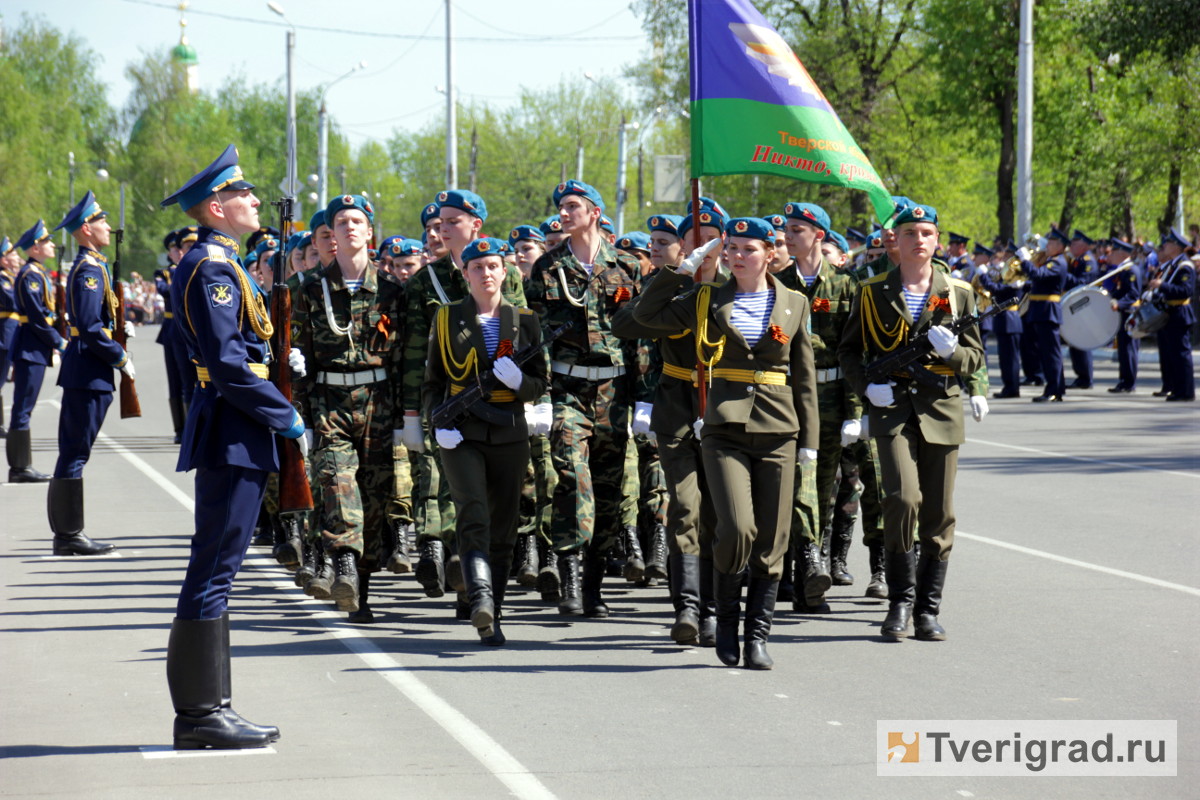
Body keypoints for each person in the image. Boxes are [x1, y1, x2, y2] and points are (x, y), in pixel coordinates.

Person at [161, 144, 308, 749]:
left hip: (234, 425)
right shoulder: (213, 268)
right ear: (216, 207)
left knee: (220, 565)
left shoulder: (220, 263)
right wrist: (285, 414)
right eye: (242, 194)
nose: (253, 200)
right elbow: (226, 365)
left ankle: (211, 706)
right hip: (233, 428)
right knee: (215, 566)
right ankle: (199, 715)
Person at [633, 216, 818, 669]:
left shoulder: (794, 302)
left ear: (769, 254)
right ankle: (727, 622)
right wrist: (680, 270)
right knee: (736, 529)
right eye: (730, 248)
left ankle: (758, 634)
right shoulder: (705, 298)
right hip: (722, 428)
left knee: (772, 539)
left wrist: (811, 439)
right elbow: (643, 317)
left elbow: (805, 374)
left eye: (747, 249)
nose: (736, 257)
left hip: (779, 429)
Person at [839, 203, 985, 641]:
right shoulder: (871, 291)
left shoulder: (959, 291)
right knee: (901, 500)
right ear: (895, 241)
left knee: (939, 513)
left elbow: (975, 356)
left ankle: (927, 609)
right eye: (908, 233)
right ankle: (900, 601)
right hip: (892, 409)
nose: (917, 240)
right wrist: (866, 387)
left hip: (941, 408)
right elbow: (849, 350)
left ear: (937, 240)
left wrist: (951, 354)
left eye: (925, 233)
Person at [525, 180, 644, 617]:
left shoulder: (628, 266)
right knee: (573, 480)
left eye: (573, 206)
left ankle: (594, 585)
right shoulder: (547, 268)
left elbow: (642, 339)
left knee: (609, 490)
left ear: (595, 212)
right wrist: (538, 396)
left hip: (614, 391)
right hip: (568, 390)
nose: (564, 213)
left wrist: (644, 398)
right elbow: (534, 337)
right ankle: (570, 581)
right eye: (561, 206)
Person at [400, 190, 526, 603]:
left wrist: (528, 394)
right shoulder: (424, 282)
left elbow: (519, 335)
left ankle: (479, 587)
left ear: (476, 226)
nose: (443, 227)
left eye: (453, 220)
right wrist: (414, 414)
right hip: (449, 408)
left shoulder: (507, 275)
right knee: (457, 494)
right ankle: (468, 583)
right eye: (440, 221)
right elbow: (416, 354)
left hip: (499, 409)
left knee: (494, 502)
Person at [422, 237, 549, 645]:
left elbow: (540, 384)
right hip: (462, 432)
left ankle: (496, 609)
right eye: (477, 267)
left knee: (505, 526)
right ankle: (480, 602)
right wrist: (434, 424)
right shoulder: (446, 319)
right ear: (465, 274)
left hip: (509, 428)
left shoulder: (524, 319)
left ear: (505, 271)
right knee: (473, 513)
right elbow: (433, 382)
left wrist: (521, 384)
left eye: (494, 266)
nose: (486, 274)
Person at [613, 210, 727, 646]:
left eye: (714, 240)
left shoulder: (738, 291)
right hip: (677, 409)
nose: (707, 248)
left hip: (724, 409)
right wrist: (678, 274)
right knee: (685, 507)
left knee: (720, 513)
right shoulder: (670, 292)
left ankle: (714, 608)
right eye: (696, 241)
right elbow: (625, 324)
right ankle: (688, 607)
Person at [291, 194, 406, 619]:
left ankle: (362, 588)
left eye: (357, 221)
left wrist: (408, 415)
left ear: (370, 232)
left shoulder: (393, 292)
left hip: (379, 402)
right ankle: (342, 564)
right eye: (341, 222)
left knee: (375, 498)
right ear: (332, 234)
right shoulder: (307, 289)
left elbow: (406, 359)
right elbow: (295, 353)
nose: (350, 228)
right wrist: (298, 414)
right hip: (329, 401)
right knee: (338, 485)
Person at [775, 201, 861, 613]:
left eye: (797, 229)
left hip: (830, 396)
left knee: (823, 490)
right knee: (796, 483)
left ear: (819, 236)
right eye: (787, 229)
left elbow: (855, 353)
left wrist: (855, 412)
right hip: (786, 397)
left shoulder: (845, 287)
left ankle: (803, 578)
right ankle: (807, 564)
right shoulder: (776, 282)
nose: (788, 236)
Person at [46, 191, 134, 555]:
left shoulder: (94, 266)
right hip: (88, 371)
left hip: (87, 370)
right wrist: (119, 356)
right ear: (86, 228)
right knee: (74, 453)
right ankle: (68, 535)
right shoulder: (89, 270)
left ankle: (68, 533)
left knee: (75, 451)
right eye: (102, 221)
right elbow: (88, 324)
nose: (108, 227)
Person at [7, 219, 65, 483]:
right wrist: (59, 341)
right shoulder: (30, 275)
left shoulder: (37, 272)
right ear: (34, 248)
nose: (51, 245)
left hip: (34, 346)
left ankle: (21, 466)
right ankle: (19, 468)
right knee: (23, 407)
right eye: (46, 242)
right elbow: (38, 317)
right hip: (31, 346)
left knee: (24, 407)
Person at [1025, 228, 1069, 402]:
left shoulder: (1057, 262)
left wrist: (1024, 261)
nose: (1047, 246)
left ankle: (1053, 390)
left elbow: (1038, 274)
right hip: (1041, 310)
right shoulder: (1051, 260)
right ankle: (1057, 388)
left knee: (1051, 353)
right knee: (1048, 353)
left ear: (1060, 246)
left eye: (1051, 243)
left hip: (1047, 311)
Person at [974, 243, 1024, 398]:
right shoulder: (1008, 277)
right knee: (1006, 358)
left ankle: (1012, 388)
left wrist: (983, 276)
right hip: (1005, 319)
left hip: (1009, 319)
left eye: (1010, 254)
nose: (1006, 258)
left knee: (1010, 359)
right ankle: (1009, 387)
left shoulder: (1014, 280)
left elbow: (997, 289)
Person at [1151, 228, 1195, 402]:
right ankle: (1177, 389)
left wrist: (1162, 286)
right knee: (1173, 355)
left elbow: (1186, 291)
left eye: (1168, 243)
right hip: (1170, 313)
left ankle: (1186, 391)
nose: (1165, 246)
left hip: (1180, 313)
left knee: (1181, 354)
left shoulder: (1185, 266)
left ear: (1176, 247)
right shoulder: (1174, 265)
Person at [1065, 230, 1100, 389]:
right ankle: (1081, 376)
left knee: (1081, 343)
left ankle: (1086, 378)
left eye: (1075, 243)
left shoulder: (1088, 261)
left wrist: (1063, 274)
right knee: (1075, 342)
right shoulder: (1077, 260)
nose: (1071, 245)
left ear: (1084, 245)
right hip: (1075, 305)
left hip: (1084, 305)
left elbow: (1083, 283)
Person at [1105, 238, 1141, 393]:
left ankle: (1129, 382)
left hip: (1130, 313)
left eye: (1114, 251)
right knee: (1123, 349)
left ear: (1121, 253)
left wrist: (1119, 303)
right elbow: (1121, 291)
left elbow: (1133, 294)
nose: (1111, 254)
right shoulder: (1123, 269)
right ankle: (1124, 380)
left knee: (1129, 349)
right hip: (1124, 312)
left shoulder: (1131, 270)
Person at [0, 236, 21, 438]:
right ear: (4, 260)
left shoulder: (10, 278)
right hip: (4, 333)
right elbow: (14, 303)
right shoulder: (3, 279)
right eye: (13, 254)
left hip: (10, 332)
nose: (17, 257)